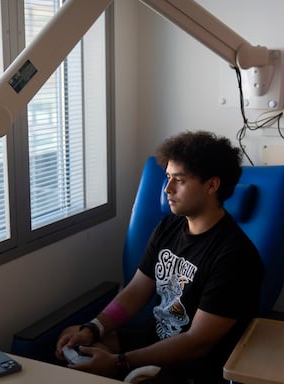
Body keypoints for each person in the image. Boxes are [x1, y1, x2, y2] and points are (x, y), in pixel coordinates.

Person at [55, 130, 264, 383]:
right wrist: (93, 328)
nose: (167, 188)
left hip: (192, 368)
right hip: (153, 345)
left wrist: (120, 361)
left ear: (212, 185)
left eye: (180, 180)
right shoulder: (168, 228)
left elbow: (196, 342)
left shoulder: (235, 258)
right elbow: (135, 292)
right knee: (73, 337)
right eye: (167, 177)